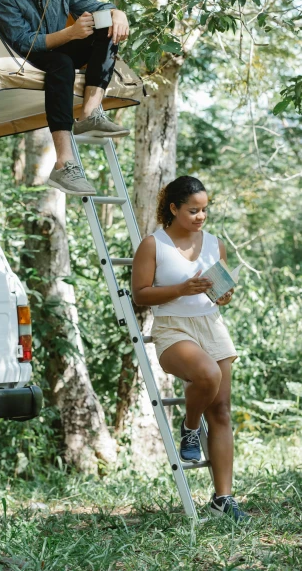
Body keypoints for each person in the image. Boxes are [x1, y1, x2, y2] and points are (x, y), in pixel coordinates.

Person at [131, 176, 250, 523]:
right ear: (173, 208)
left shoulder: (215, 243)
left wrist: (224, 295)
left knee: (223, 411)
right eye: (193, 210)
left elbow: (220, 295)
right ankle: (190, 425)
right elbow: (140, 294)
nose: (201, 216)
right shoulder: (153, 244)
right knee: (207, 375)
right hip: (173, 329)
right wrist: (182, 288)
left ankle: (222, 500)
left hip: (211, 326)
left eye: (204, 210)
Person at [0, 0, 130, 195]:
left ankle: (90, 113)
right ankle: (64, 164)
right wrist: (70, 33)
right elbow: (23, 43)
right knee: (61, 64)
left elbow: (96, 6)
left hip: (59, 48)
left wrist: (117, 14)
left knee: (107, 27)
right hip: (20, 60)